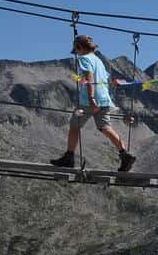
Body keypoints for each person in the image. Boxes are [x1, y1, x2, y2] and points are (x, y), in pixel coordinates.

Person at [50, 35, 137, 172]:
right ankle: (124, 155)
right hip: (104, 98)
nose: (76, 53)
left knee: (74, 126)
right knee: (105, 127)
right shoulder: (99, 61)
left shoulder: (84, 59)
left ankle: (69, 157)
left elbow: (89, 77)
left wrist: (91, 97)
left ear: (80, 48)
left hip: (89, 100)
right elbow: (104, 80)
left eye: (76, 50)